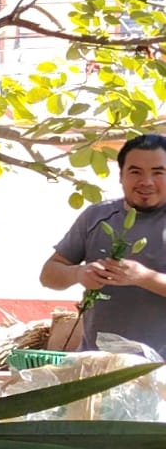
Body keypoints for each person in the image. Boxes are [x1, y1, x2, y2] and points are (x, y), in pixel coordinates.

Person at [40, 133, 166, 355]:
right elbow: (48, 275)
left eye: (158, 172)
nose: (146, 182)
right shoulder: (96, 216)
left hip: (160, 368)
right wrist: (78, 273)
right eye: (135, 172)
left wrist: (145, 278)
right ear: (121, 176)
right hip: (98, 364)